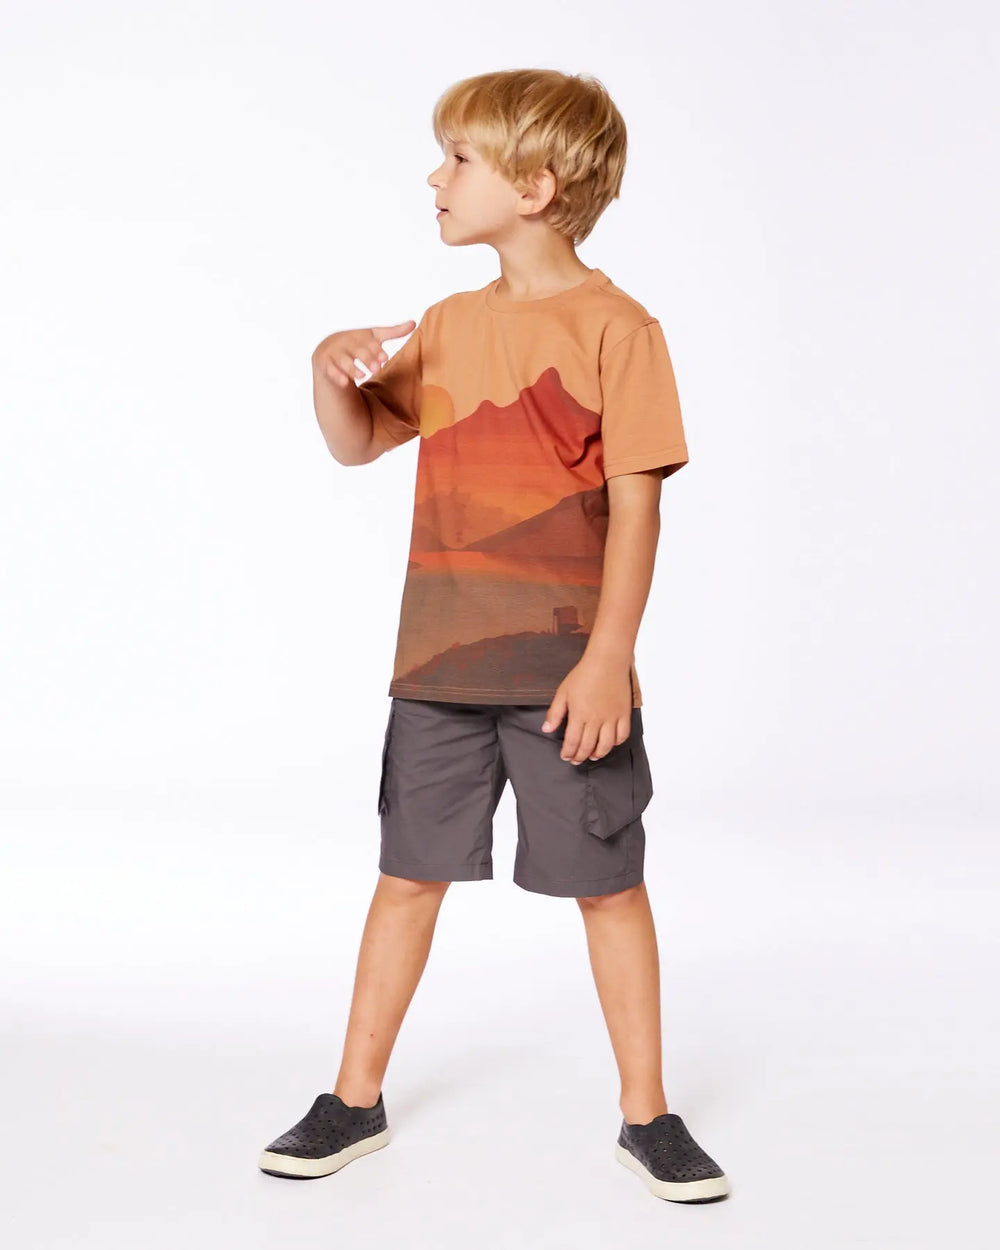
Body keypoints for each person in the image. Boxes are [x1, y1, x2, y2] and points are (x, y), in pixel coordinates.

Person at [257, 68, 730, 1204]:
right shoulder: (449, 324)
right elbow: (359, 440)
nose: (435, 176)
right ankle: (353, 1099)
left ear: (535, 185)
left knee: (607, 885)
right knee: (406, 877)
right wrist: (327, 369)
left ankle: (648, 1113)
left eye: (458, 158)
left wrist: (607, 660)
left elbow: (639, 509)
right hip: (437, 668)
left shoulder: (618, 328)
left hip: (568, 676)